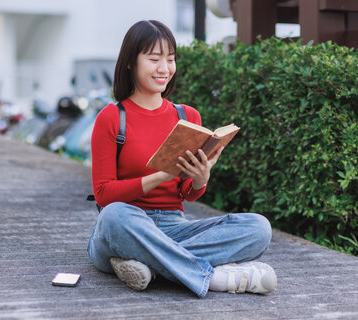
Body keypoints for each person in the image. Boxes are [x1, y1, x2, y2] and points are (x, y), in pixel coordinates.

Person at [87, 20, 277, 298]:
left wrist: (201, 179)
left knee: (258, 228)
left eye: (170, 59)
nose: (164, 68)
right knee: (114, 216)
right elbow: (104, 196)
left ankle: (151, 265)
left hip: (174, 226)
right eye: (154, 59)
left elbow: (187, 193)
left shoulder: (187, 117)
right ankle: (213, 278)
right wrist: (163, 173)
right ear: (130, 62)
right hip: (127, 226)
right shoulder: (112, 118)